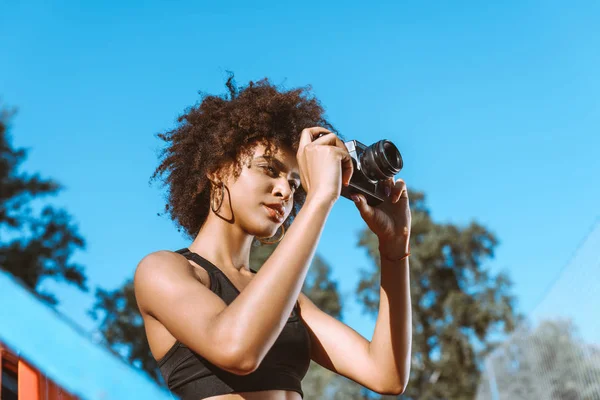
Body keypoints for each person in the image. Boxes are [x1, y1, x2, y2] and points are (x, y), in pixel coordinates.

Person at [133, 76, 412, 400]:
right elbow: (236, 349)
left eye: (295, 184)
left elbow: (385, 374)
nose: (284, 190)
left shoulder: (288, 302)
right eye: (268, 169)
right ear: (217, 168)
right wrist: (320, 198)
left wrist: (394, 251)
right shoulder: (163, 270)